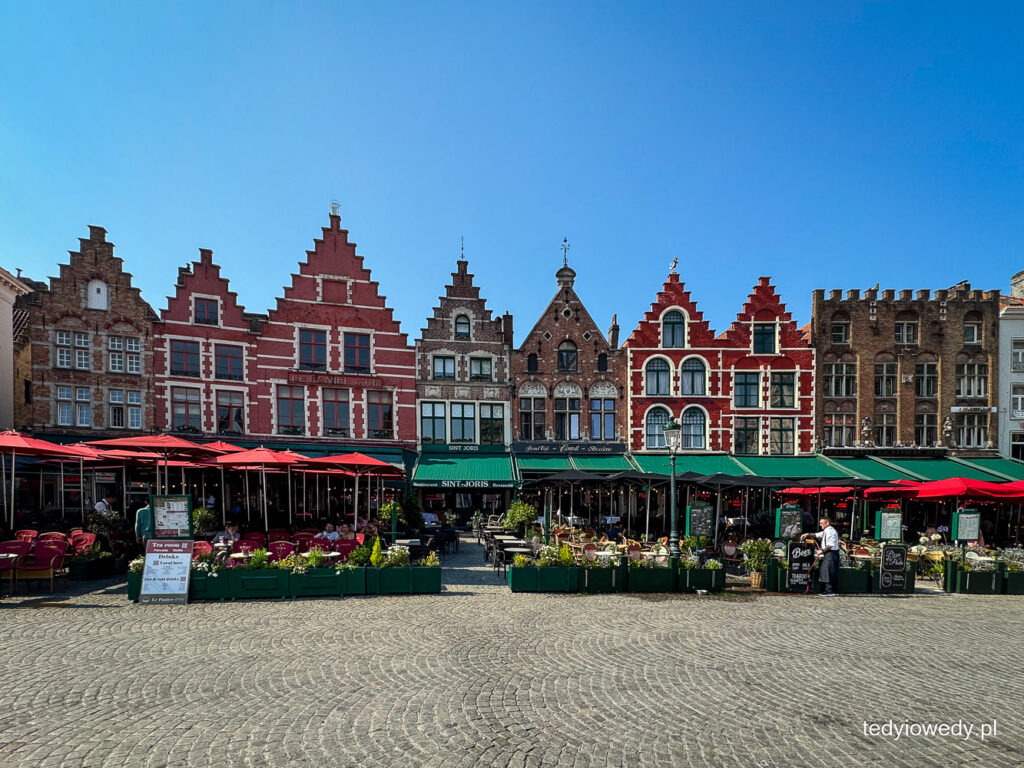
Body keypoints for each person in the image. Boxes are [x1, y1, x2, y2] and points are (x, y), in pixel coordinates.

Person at [805, 516, 840, 596]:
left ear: (827, 523)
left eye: (821, 523)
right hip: (830, 553)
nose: (820, 525)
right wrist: (808, 534)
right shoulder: (827, 530)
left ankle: (829, 591)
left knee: (828, 572)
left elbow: (830, 544)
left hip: (831, 553)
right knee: (829, 571)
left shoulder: (830, 531)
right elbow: (818, 535)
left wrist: (822, 551)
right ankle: (832, 591)